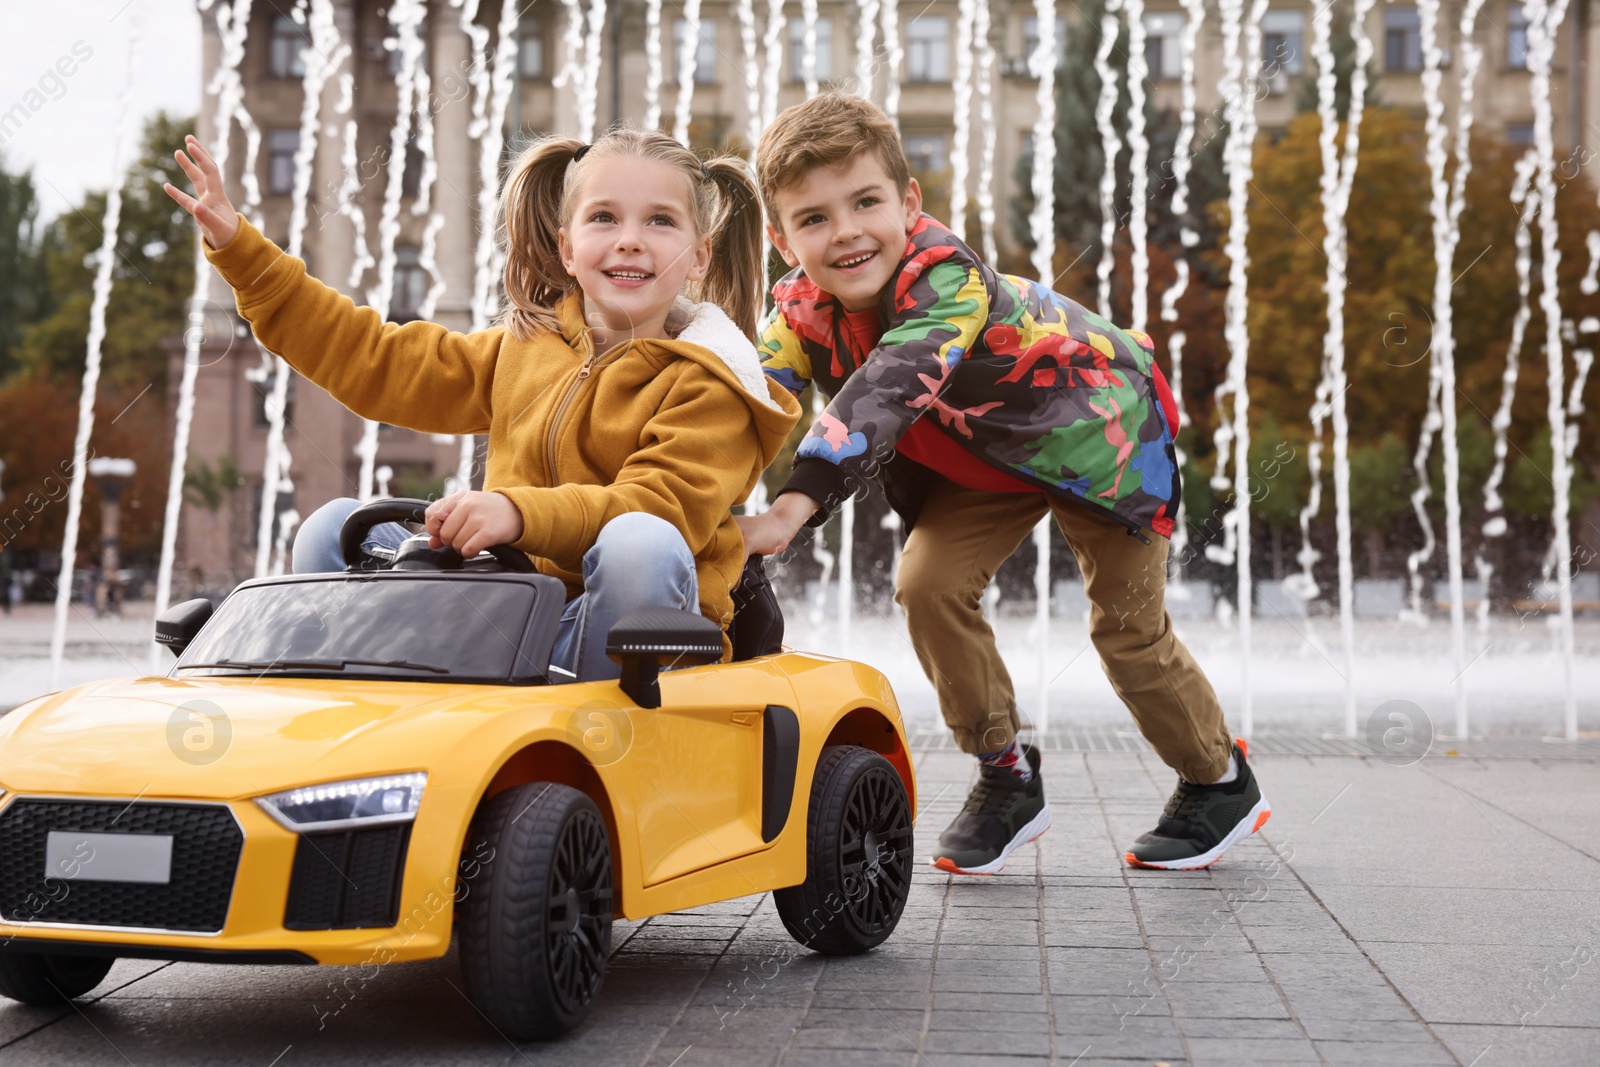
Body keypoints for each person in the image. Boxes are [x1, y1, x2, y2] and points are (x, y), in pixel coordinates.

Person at [738, 93, 1270, 875]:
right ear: (783, 238)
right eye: (813, 218)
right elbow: (750, 396)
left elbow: (892, 380)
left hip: (1098, 436)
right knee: (926, 585)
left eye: (865, 202)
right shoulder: (796, 308)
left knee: (1125, 631)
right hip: (990, 458)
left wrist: (793, 504)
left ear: (909, 203)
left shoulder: (947, 278)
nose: (845, 231)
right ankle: (1006, 774)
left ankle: (1219, 779)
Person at [166, 129, 799, 681]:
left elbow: (657, 504)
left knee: (641, 541)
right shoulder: (520, 349)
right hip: (509, 613)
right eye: (604, 218)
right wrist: (245, 257)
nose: (631, 241)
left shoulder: (714, 383)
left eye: (660, 222)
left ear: (699, 257)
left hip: (628, 635)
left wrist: (514, 512)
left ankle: (599, 731)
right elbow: (375, 359)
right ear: (567, 250)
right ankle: (358, 708)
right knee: (335, 526)